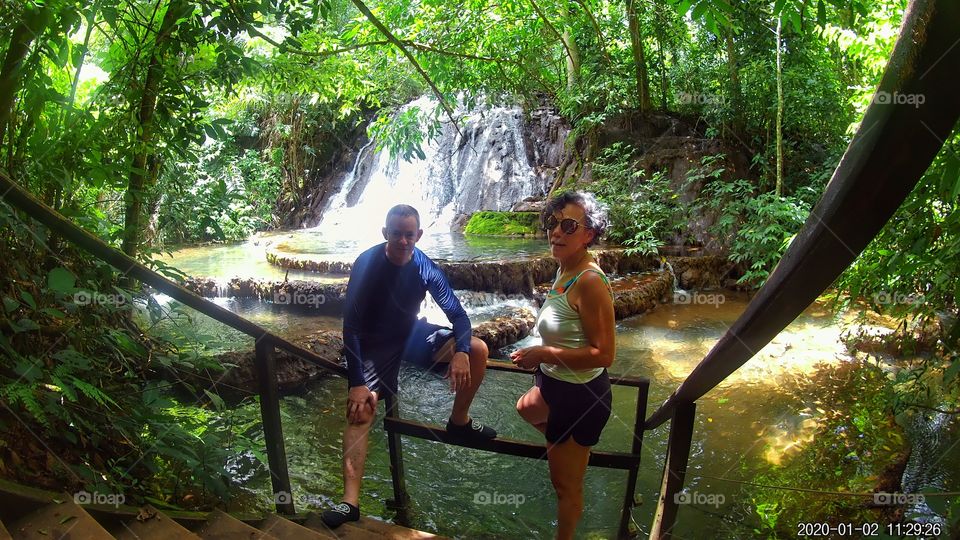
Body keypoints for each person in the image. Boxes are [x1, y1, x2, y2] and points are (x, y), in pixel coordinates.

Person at [321, 204, 497, 528]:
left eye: (409, 234)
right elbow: (352, 326)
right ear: (385, 233)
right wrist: (357, 381)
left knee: (478, 349)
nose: (403, 241)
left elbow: (458, 315)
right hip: (374, 341)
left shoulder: (425, 266)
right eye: (397, 234)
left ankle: (459, 421)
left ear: (419, 235)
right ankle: (350, 503)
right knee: (361, 410)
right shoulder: (367, 263)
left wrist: (460, 351)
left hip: (412, 335)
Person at [512, 191, 616, 540]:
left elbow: (604, 355)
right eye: (552, 223)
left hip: (579, 395)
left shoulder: (590, 281)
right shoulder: (564, 268)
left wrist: (543, 354)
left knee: (564, 487)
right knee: (525, 408)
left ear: (589, 234)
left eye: (568, 226)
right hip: (553, 383)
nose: (556, 232)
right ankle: (575, 452)